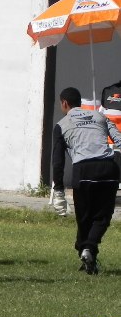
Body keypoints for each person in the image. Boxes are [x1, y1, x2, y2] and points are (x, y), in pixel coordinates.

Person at [51, 87, 121, 275]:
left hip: (83, 171)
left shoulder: (62, 124)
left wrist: (58, 189)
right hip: (108, 168)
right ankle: (88, 253)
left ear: (64, 103)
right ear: (80, 102)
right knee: (102, 217)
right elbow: (119, 141)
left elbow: (58, 162)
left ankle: (86, 248)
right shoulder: (100, 117)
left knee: (84, 218)